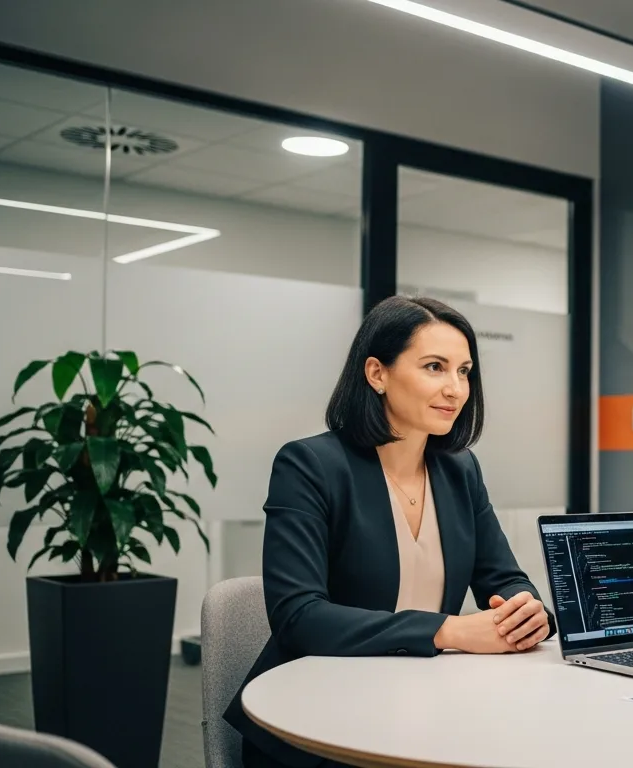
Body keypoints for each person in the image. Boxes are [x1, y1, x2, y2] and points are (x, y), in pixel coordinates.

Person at [225, 296, 556, 768]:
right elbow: (299, 618)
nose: (455, 389)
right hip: (318, 719)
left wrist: (529, 611)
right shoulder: (310, 465)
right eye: (435, 367)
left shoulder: (459, 469)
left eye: (464, 371)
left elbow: (503, 578)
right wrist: (448, 629)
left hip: (425, 705)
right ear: (377, 373)